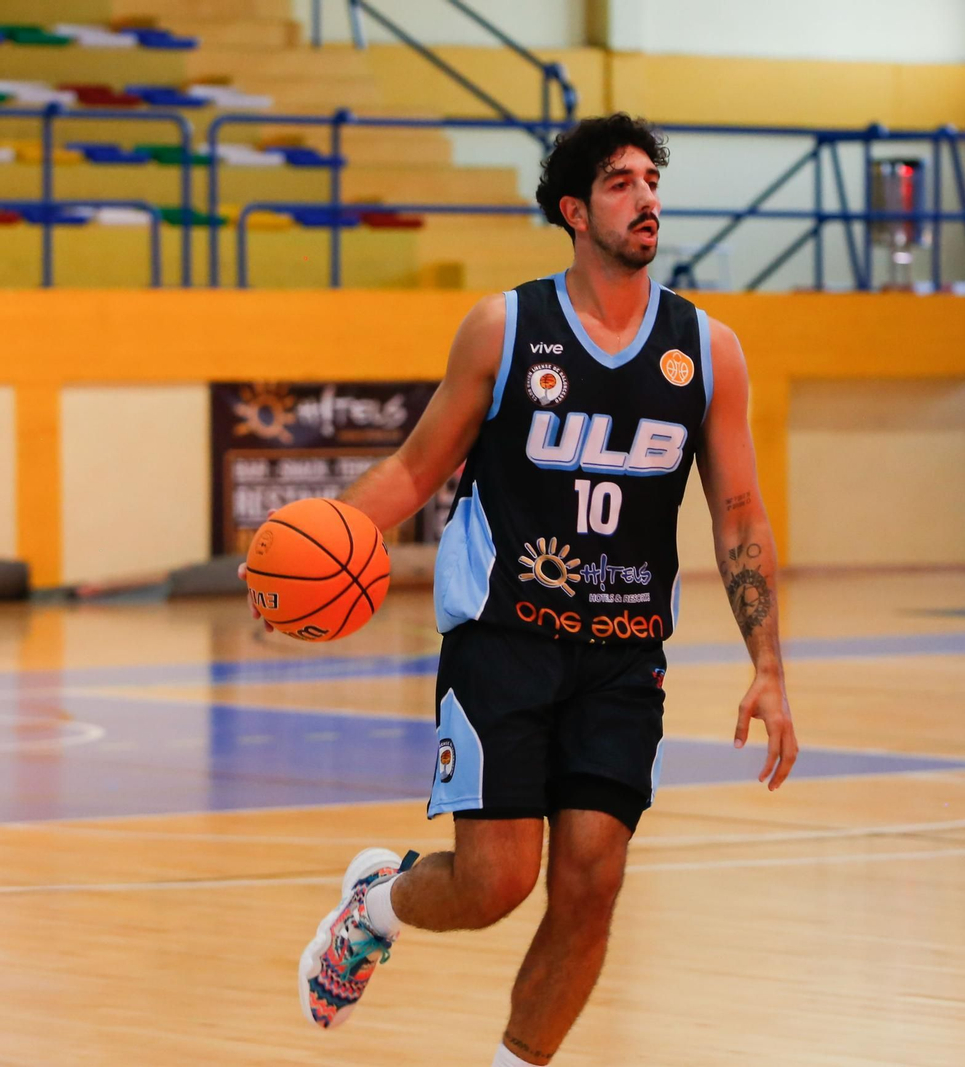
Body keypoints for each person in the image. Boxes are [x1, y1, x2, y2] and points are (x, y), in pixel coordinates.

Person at [272, 112, 800, 1066]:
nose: (646, 198)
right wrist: (310, 544)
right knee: (496, 883)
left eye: (651, 179)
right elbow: (413, 468)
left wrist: (770, 662)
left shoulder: (707, 348)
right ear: (573, 210)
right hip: (503, 636)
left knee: (593, 881)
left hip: (626, 650)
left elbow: (738, 511)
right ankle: (377, 904)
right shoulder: (507, 326)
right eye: (620, 183)